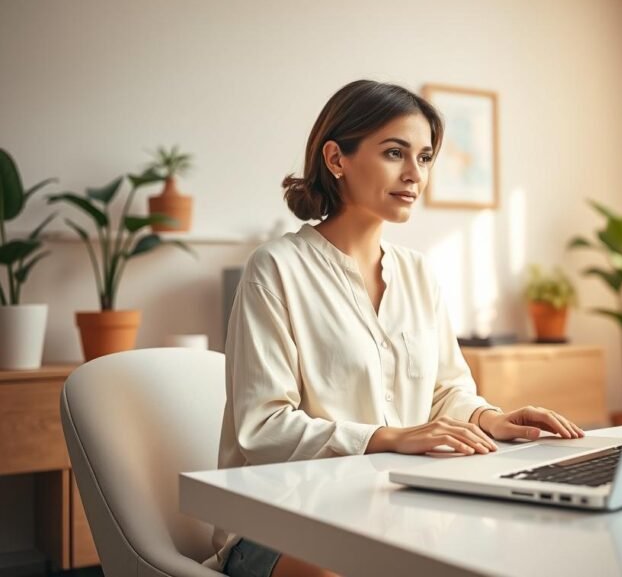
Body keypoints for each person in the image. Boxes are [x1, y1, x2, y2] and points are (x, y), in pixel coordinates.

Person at [207, 80, 585, 577]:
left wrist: (493, 418)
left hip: (393, 510)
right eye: (394, 153)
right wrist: (387, 437)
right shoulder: (275, 268)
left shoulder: (419, 273)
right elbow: (263, 427)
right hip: (285, 522)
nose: (414, 174)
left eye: (425, 158)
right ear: (336, 159)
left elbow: (447, 391)